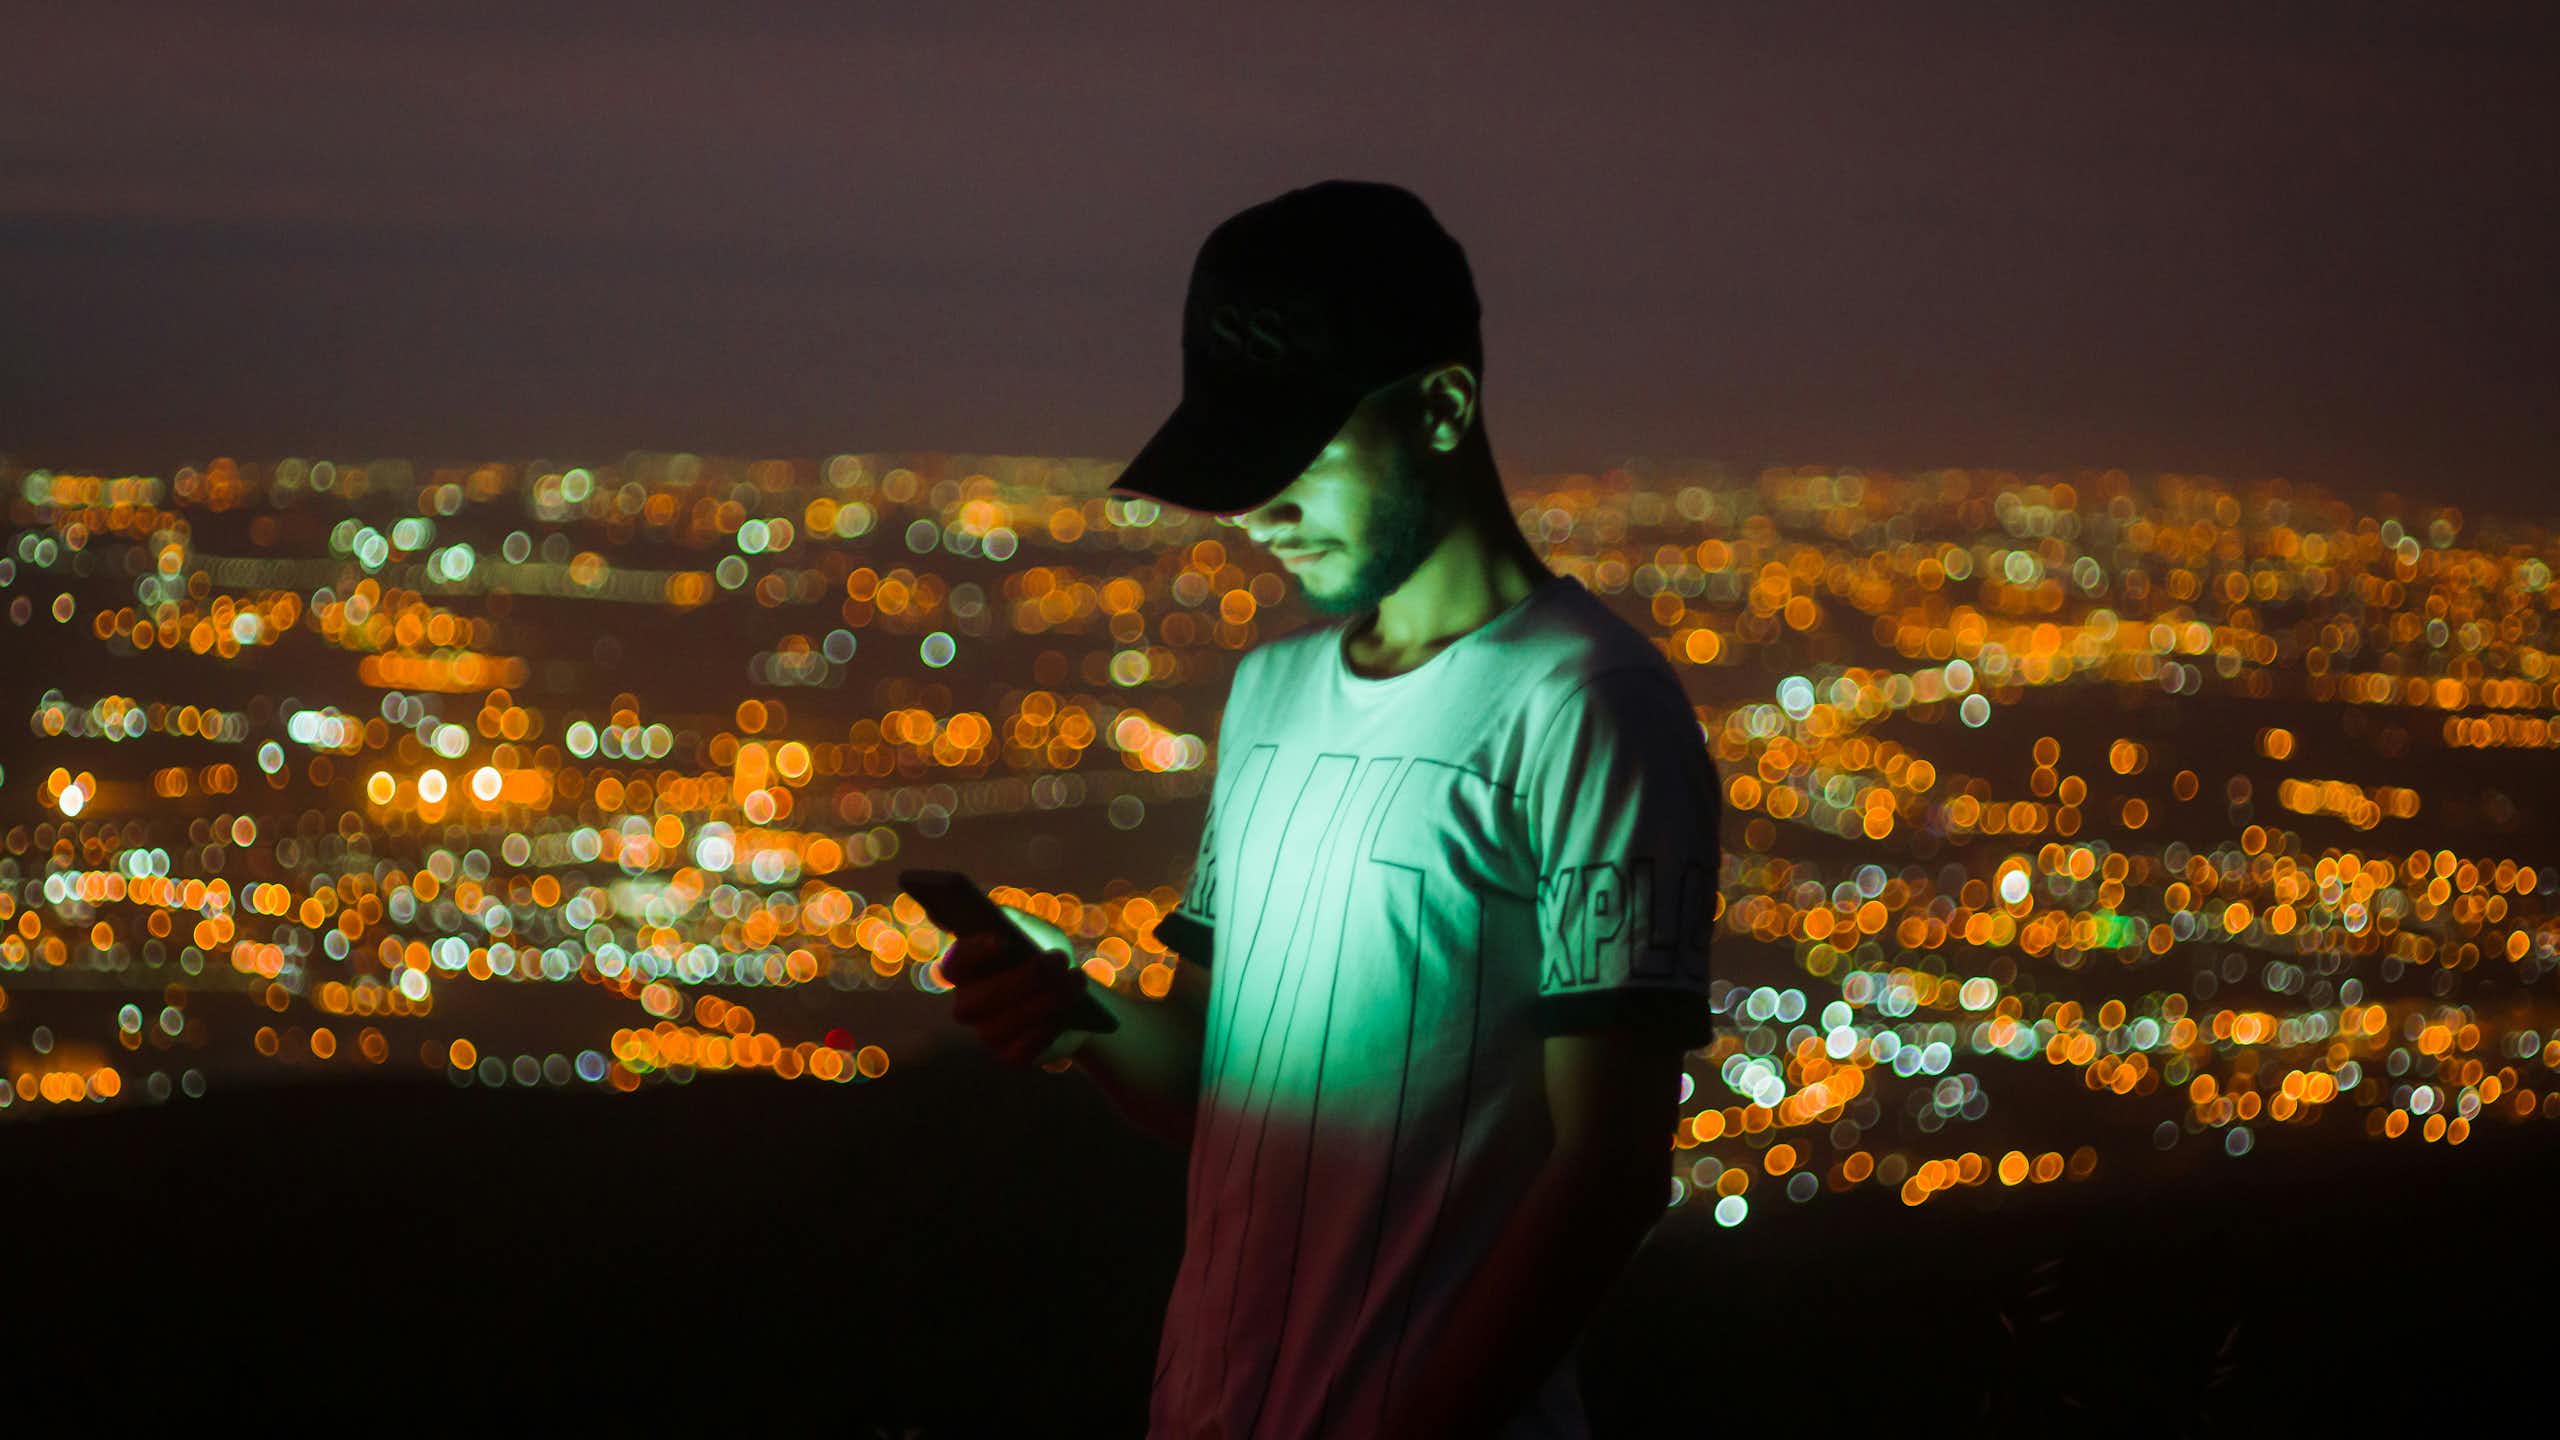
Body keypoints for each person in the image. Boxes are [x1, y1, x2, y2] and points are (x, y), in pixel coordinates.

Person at [939, 179, 1719, 1439]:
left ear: (1444, 407)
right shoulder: (1268, 696)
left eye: (1296, 452)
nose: (1257, 509)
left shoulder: (1589, 706)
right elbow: (1207, 1084)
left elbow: (1610, 1174)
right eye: (1240, 467)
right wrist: (1072, 1012)